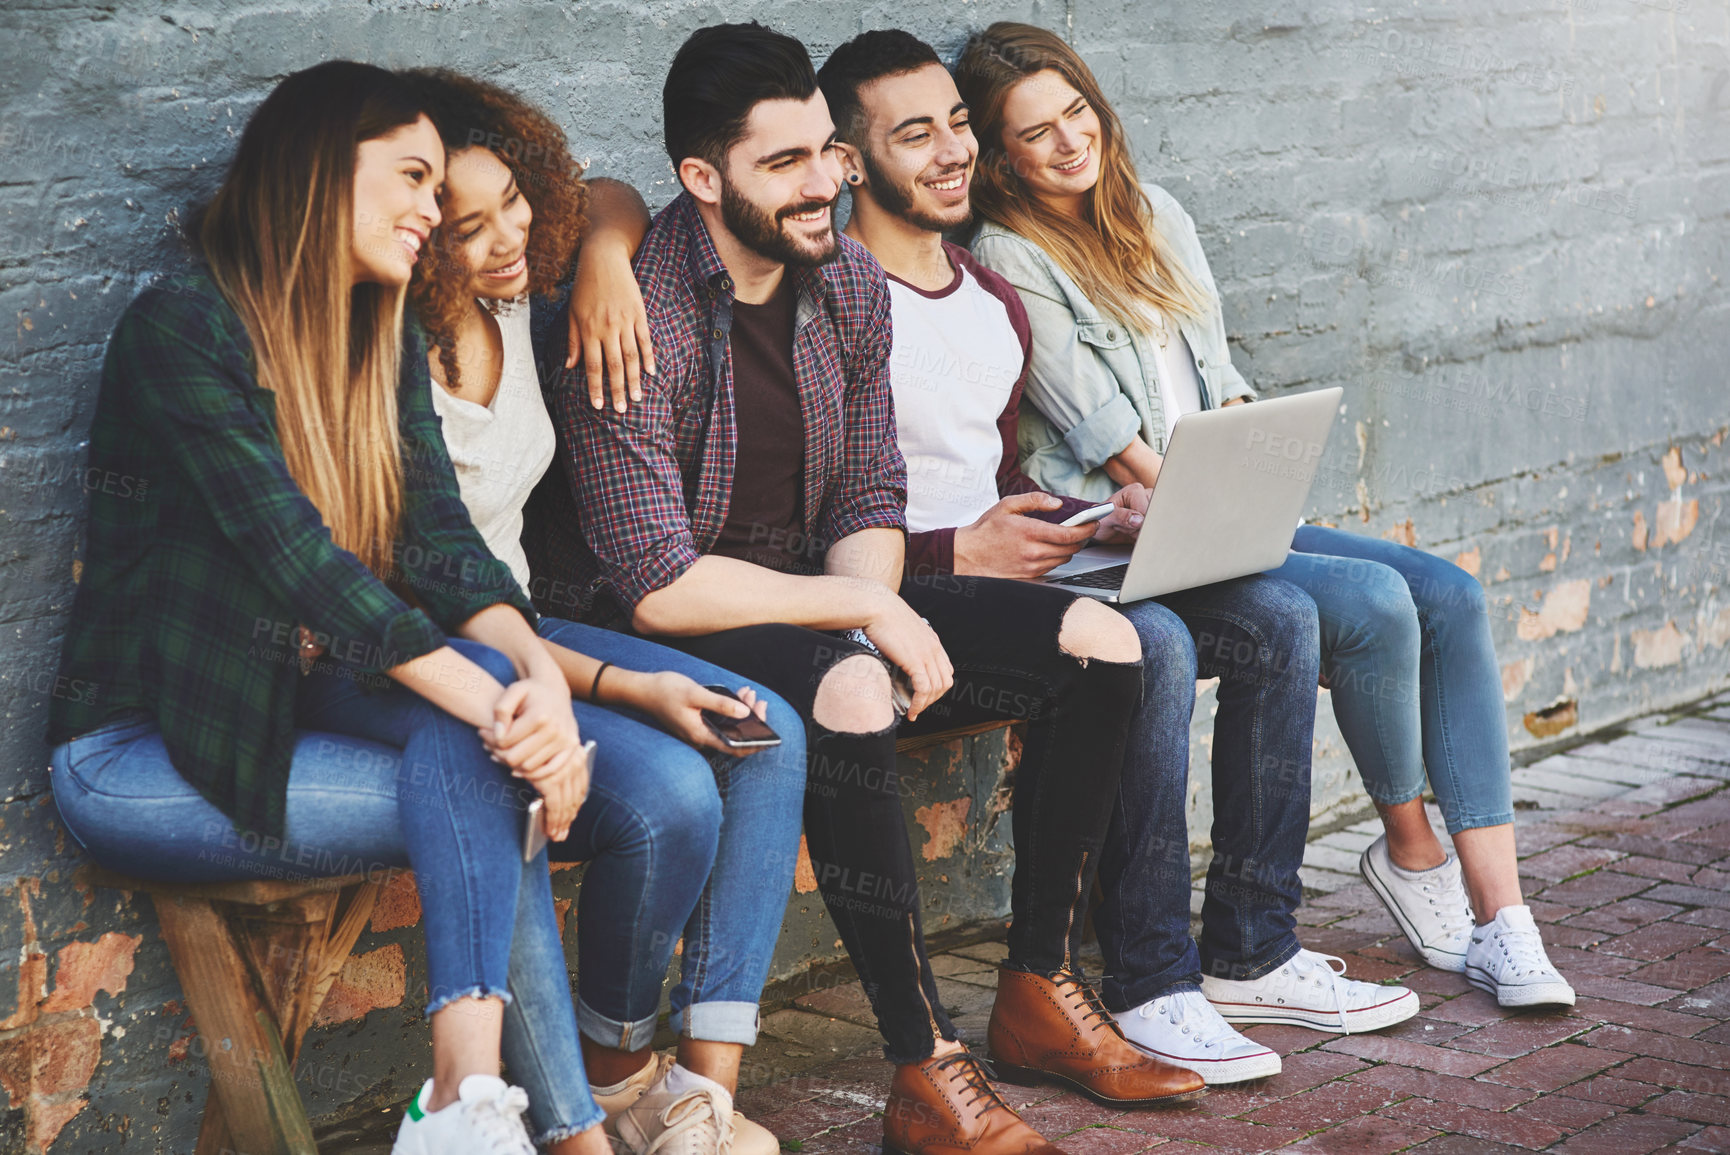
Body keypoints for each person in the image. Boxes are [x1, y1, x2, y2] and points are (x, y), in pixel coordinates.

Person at [531, 21, 1204, 1155]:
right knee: (845, 689)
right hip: (672, 618)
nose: (822, 186)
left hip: (819, 595)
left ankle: (1038, 984)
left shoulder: (841, 278)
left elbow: (864, 490)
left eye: (826, 155)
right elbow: (653, 586)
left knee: (1102, 640)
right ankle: (920, 1065)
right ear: (701, 179)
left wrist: (870, 597)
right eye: (782, 164)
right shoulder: (637, 314)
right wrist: (861, 617)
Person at [818, 30, 1421, 1088]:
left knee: (1279, 617)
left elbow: (988, 474)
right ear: (849, 159)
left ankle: (1251, 946)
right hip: (912, 585)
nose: (950, 150)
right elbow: (815, 508)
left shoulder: (982, 296)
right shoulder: (828, 295)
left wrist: (1088, 516)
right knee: (1151, 645)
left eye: (956, 123)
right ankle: (1149, 980)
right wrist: (951, 549)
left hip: (1029, 566)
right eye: (915, 134)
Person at [43, 62, 608, 1155]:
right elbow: (298, 561)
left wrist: (536, 678)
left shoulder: (380, 333)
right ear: (314, 170)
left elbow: (436, 541)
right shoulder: (181, 334)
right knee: (489, 760)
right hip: (146, 755)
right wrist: (515, 722)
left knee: (487, 732)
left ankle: (467, 1104)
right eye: (411, 177)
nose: (430, 213)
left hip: (295, 710)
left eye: (437, 189)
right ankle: (527, 1128)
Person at [955, 22, 1575, 1011]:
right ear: (1000, 158)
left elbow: (1224, 382)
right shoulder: (1010, 254)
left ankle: (1502, 918)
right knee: (1369, 601)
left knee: (1449, 595)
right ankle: (1403, 858)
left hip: (1218, 504)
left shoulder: (1154, 214)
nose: (1070, 141)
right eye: (1036, 133)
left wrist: (1257, 470)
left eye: (1076, 111)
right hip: (1136, 527)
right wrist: (1228, 507)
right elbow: (1113, 441)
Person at [400, 68, 806, 1155]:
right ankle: (615, 1068)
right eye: (464, 226)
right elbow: (405, 581)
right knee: (671, 793)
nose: (503, 241)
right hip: (429, 642)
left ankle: (702, 1101)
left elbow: (611, 193)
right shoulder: (386, 352)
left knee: (759, 729)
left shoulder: (522, 290)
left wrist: (604, 262)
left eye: (515, 208)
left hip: (516, 619)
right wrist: (606, 681)